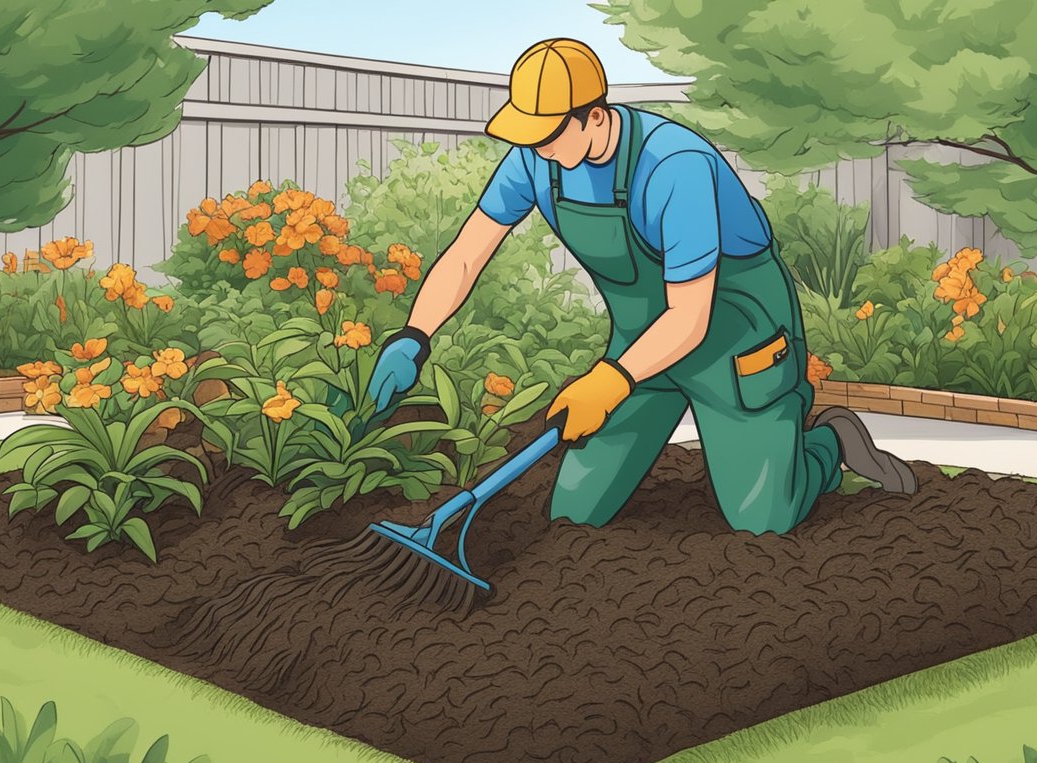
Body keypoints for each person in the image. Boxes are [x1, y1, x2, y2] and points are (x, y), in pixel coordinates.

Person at [367, 38, 917, 535]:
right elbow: (466, 254)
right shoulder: (536, 161)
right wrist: (415, 336)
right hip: (641, 342)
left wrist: (611, 381)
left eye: (550, 134)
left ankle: (828, 444)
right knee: (575, 514)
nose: (538, 149)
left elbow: (691, 315)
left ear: (595, 116)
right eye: (529, 136)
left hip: (734, 332)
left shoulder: (674, 166)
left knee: (763, 520)